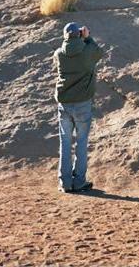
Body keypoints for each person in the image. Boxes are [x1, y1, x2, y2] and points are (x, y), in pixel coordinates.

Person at [54, 22, 103, 193]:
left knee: (65, 142)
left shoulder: (59, 54)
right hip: (82, 103)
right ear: (79, 34)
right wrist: (88, 38)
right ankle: (79, 181)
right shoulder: (87, 51)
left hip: (64, 104)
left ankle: (65, 183)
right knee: (81, 142)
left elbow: (67, 50)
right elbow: (99, 52)